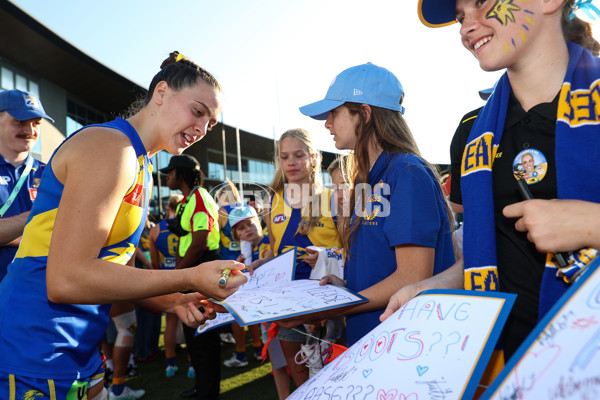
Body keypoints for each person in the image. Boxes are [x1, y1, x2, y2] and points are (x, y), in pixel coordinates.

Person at [0, 51, 246, 400]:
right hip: (32, 347)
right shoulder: (110, 147)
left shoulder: (138, 163)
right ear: (161, 93)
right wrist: (189, 276)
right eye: (198, 111)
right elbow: (65, 279)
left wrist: (173, 301)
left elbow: (119, 270)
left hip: (74, 348)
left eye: (211, 123)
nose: (202, 129)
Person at [382, 0, 600, 364]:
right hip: (521, 365)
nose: (467, 27)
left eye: (481, 3)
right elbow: (489, 253)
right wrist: (430, 289)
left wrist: (591, 224)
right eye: (459, 15)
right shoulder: (476, 134)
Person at [296, 62, 455, 347]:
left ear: (364, 114)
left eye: (334, 112)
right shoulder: (369, 179)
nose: (327, 123)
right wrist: (346, 290)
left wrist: (340, 307)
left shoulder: (407, 173)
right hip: (372, 341)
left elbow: (413, 277)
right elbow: (383, 268)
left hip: (404, 343)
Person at [266, 128, 343, 386]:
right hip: (286, 303)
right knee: (300, 375)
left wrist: (324, 257)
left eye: (298, 155)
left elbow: (353, 252)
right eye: (284, 156)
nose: (291, 162)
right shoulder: (272, 202)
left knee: (333, 378)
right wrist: (260, 262)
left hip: (329, 306)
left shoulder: (333, 200)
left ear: (314, 158)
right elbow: (273, 249)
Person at [162, 154, 223, 400]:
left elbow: (199, 243)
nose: (167, 177)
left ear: (182, 173)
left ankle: (208, 393)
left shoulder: (198, 197)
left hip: (200, 269)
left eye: (171, 172)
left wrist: (178, 275)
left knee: (204, 335)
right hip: (193, 270)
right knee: (194, 333)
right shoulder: (188, 199)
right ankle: (201, 388)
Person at [0, 89, 53, 281]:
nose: (30, 131)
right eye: (20, 122)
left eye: (36, 123)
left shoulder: (51, 173)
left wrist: (8, 235)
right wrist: (35, 220)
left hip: (36, 292)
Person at [148, 193, 193, 378]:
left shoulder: (156, 230)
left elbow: (154, 264)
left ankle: (170, 363)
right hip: (186, 277)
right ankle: (192, 365)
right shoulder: (187, 226)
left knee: (171, 324)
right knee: (191, 322)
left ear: (168, 207)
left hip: (167, 279)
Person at [223, 205, 272, 368]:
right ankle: (255, 351)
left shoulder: (269, 241)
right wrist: (240, 265)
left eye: (250, 224)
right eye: (241, 228)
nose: (248, 229)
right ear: (236, 235)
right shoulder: (246, 251)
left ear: (258, 223)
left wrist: (262, 260)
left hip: (273, 301)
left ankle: (254, 352)